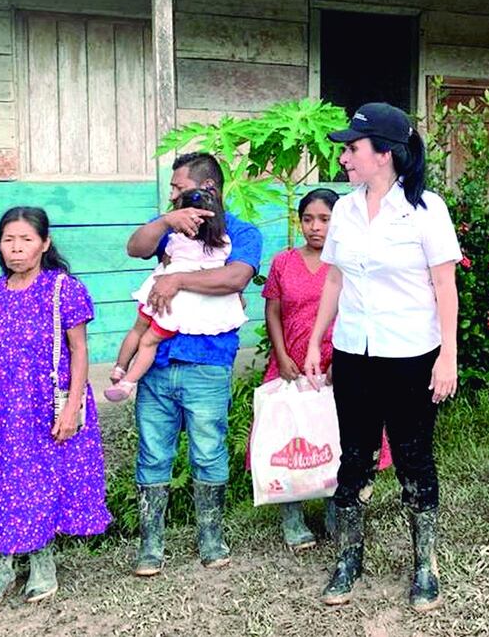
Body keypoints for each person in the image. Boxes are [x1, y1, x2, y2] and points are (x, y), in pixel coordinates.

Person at [304, 102, 461, 612]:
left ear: (385, 154)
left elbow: (445, 286)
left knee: (414, 458)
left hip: (412, 354)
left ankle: (425, 565)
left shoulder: (426, 209)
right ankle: (349, 560)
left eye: (353, 148)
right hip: (355, 353)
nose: (346, 158)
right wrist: (315, 342)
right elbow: (334, 279)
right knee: (354, 458)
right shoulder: (345, 209)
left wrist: (448, 357)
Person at [0, 206, 111, 609]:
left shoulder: (62, 289)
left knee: (37, 483)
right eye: (8, 240)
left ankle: (42, 564)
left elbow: (79, 350)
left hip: (41, 405)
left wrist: (72, 408)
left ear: (44, 244)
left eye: (25, 240)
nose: (16, 249)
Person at [124, 152, 262, 576]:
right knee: (152, 453)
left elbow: (236, 278)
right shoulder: (173, 229)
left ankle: (211, 536)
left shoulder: (242, 231)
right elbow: (135, 248)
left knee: (208, 451)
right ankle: (151, 545)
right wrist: (167, 221)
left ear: (208, 190)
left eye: (178, 188)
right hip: (158, 362)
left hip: (208, 363)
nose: (172, 196)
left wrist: (177, 278)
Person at [259, 187, 391, 552]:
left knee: (336, 438)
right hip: (290, 364)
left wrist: (342, 363)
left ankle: (336, 509)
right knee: (290, 439)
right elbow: (272, 311)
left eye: (324, 219)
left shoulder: (347, 262)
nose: (315, 227)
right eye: (307, 219)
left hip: (339, 363)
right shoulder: (283, 262)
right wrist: (282, 355)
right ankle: (293, 518)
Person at [104, 188, 247, 402]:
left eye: (177, 189)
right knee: (149, 342)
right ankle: (127, 383)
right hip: (180, 309)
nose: (171, 195)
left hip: (159, 297)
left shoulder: (176, 240)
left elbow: (167, 262)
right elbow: (228, 275)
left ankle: (121, 370)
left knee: (138, 331)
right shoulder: (224, 244)